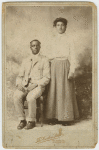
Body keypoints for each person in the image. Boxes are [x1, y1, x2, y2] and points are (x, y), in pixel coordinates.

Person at [45, 17, 79, 125]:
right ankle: (53, 117)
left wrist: (71, 70)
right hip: (54, 65)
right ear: (55, 27)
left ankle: (66, 117)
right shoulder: (52, 39)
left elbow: (73, 56)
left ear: (66, 27)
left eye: (62, 25)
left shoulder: (70, 39)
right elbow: (47, 55)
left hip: (65, 65)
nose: (60, 27)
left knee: (65, 91)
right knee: (54, 91)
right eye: (58, 25)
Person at [13, 39, 50, 130]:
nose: (35, 47)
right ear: (30, 47)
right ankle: (22, 120)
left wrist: (36, 84)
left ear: (40, 47)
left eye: (37, 45)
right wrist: (19, 84)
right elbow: (20, 76)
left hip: (38, 86)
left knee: (30, 97)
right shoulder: (26, 60)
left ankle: (31, 121)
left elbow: (47, 78)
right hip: (25, 85)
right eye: (33, 45)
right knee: (16, 96)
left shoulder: (44, 60)